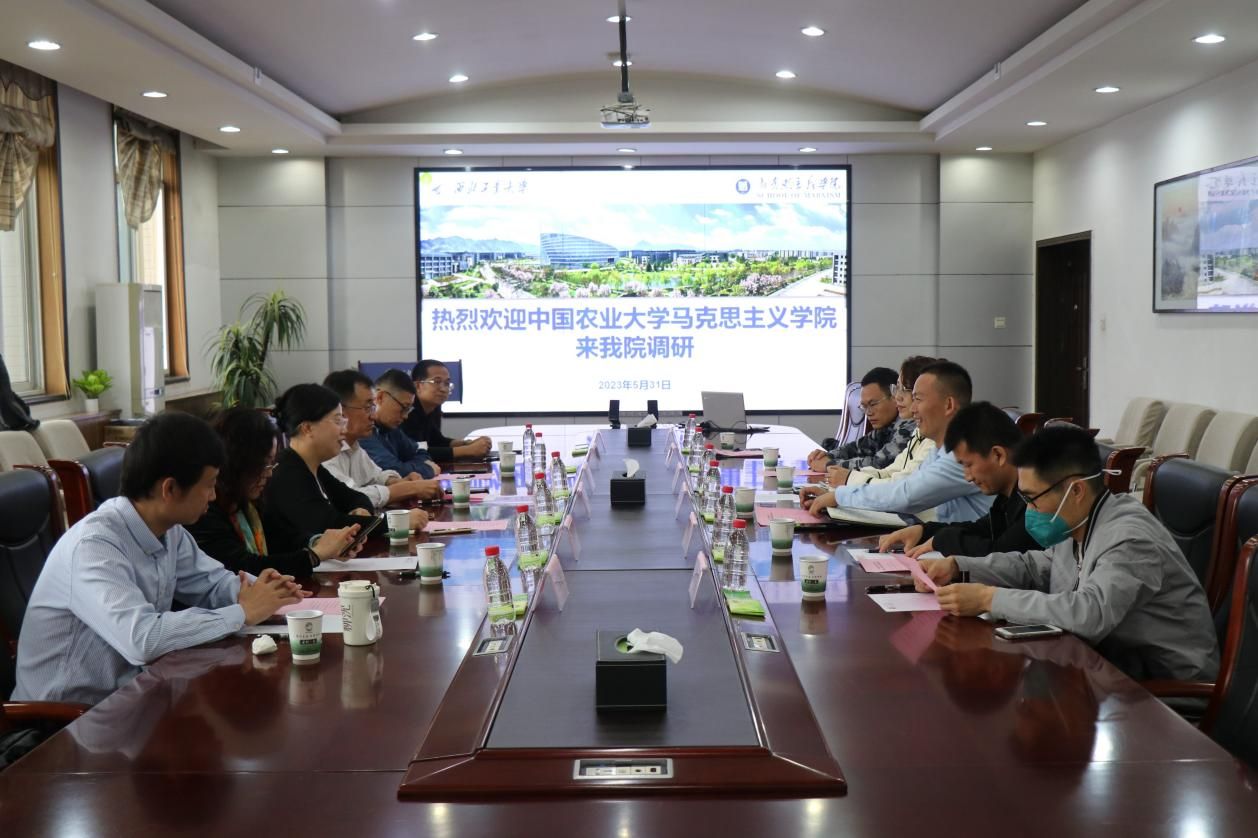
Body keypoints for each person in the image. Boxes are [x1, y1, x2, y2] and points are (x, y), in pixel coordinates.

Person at [12, 412, 307, 705]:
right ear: (170, 489)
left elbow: (213, 583)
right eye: (209, 485)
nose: (213, 496)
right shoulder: (95, 546)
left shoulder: (169, 531)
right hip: (66, 717)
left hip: (131, 697)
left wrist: (266, 591)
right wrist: (243, 612)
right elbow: (142, 640)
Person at [917, 425, 1219, 683]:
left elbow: (1089, 613)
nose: (1029, 511)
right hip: (1109, 668)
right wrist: (959, 566)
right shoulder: (1078, 521)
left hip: (1163, 692)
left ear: (1076, 491)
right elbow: (1036, 567)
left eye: (1033, 499)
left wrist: (988, 599)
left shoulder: (1130, 538)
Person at [800, 360, 991, 524]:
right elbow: (901, 482)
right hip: (939, 537)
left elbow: (906, 496)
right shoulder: (941, 446)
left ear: (948, 405)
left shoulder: (964, 452)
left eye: (917, 399)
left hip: (965, 550)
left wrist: (840, 496)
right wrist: (837, 492)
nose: (912, 409)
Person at [188, 407, 362, 577]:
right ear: (236, 463)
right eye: (263, 464)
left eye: (271, 463)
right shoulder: (204, 508)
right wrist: (314, 555)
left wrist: (320, 543)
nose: (269, 473)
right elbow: (243, 568)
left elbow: (283, 538)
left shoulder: (247, 500)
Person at [264, 384, 410, 554]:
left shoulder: (314, 467)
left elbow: (357, 498)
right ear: (307, 428)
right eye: (338, 421)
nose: (344, 429)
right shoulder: (288, 473)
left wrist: (360, 510)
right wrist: (398, 522)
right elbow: (328, 525)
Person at [878, 401, 1035, 559]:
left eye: (968, 465)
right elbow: (981, 529)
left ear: (998, 455)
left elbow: (1001, 555)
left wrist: (942, 540)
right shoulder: (1006, 497)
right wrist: (924, 531)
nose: (968, 477)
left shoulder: (1035, 499)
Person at [321, 370, 442, 516]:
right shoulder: (324, 452)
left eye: (373, 407)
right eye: (367, 408)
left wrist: (397, 481)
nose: (373, 416)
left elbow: (377, 476)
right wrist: (410, 488)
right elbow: (351, 498)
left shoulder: (353, 447)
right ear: (340, 411)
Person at [829, 355, 937, 489]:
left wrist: (846, 477)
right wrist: (833, 463)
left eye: (906, 390)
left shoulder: (924, 434)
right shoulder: (917, 431)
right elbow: (889, 472)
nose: (898, 397)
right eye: (897, 388)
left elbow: (901, 488)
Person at [805, 367, 916, 475]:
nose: (868, 412)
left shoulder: (908, 425)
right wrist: (826, 456)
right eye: (864, 406)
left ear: (894, 397)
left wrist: (828, 464)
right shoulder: (885, 427)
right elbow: (856, 448)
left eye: (873, 404)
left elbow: (878, 464)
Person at [401, 359, 491, 461]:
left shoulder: (433, 407)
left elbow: (436, 440)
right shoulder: (407, 411)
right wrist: (467, 450)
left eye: (447, 383)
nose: (444, 389)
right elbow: (415, 452)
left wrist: (467, 443)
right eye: (437, 382)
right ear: (417, 386)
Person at [359, 369, 439, 478]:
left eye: (408, 410)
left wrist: (407, 466)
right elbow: (395, 470)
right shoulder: (363, 431)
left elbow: (421, 452)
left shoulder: (391, 429)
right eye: (403, 408)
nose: (405, 416)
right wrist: (429, 469)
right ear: (380, 397)